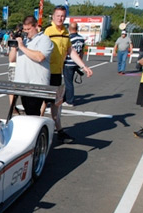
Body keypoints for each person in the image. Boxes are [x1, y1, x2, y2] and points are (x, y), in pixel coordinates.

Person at [44, 5, 93, 143]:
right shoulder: (48, 31)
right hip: (46, 72)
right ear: (53, 17)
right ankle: (38, 133)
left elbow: (71, 51)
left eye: (62, 16)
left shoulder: (65, 32)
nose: (60, 18)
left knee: (57, 102)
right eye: (58, 16)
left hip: (57, 72)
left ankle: (59, 130)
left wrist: (84, 66)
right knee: (42, 103)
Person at [9, 16, 53, 116]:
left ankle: (37, 131)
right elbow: (11, 59)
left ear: (36, 26)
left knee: (33, 112)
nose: (26, 32)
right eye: (24, 29)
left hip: (36, 84)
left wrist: (22, 47)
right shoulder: (23, 41)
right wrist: (14, 47)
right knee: (28, 111)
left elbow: (39, 57)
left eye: (29, 29)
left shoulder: (44, 39)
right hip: (22, 82)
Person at [62, 22, 85, 107]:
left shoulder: (69, 38)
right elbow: (82, 51)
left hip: (68, 62)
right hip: (76, 61)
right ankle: (65, 97)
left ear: (69, 29)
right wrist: (80, 62)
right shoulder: (81, 38)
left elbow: (66, 51)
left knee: (68, 82)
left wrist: (62, 61)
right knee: (69, 82)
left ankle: (69, 101)